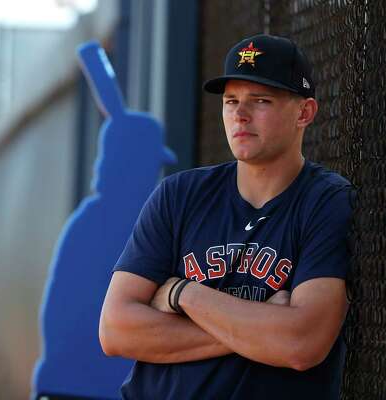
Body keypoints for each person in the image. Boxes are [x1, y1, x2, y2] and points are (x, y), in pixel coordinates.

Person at [99, 34, 353, 399]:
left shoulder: (326, 201)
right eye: (231, 101)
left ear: (305, 113)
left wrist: (183, 294)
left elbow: (301, 343)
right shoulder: (179, 195)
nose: (240, 115)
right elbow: (115, 330)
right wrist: (260, 329)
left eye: (260, 101)